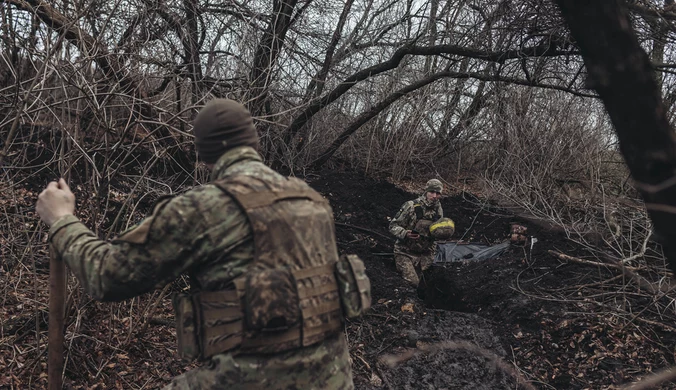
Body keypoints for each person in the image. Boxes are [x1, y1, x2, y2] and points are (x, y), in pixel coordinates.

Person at [36, 99, 367, 390]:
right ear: (254, 144)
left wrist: (63, 220)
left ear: (203, 155)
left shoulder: (203, 208)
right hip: (335, 379)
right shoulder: (313, 201)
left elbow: (106, 277)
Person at [389, 179, 445, 287]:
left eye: (438, 193)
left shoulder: (438, 210)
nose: (434, 196)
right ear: (426, 192)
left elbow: (435, 236)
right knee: (413, 284)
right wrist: (405, 233)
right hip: (405, 253)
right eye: (432, 192)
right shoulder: (411, 206)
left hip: (424, 256)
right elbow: (392, 226)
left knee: (426, 285)